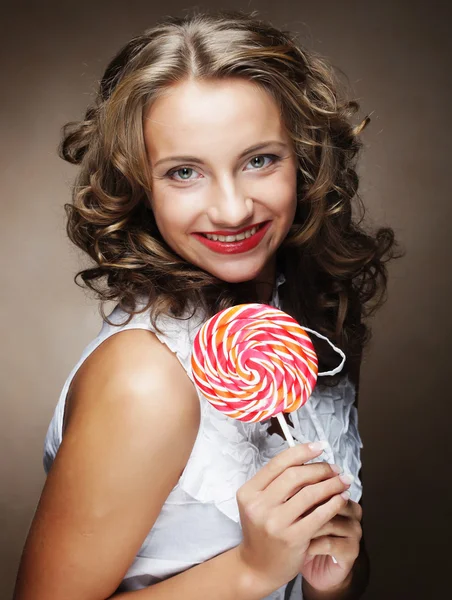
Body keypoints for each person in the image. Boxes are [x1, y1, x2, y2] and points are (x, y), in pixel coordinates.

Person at [13, 9, 401, 600]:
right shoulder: (145, 380)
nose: (232, 210)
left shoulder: (304, 332)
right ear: (140, 184)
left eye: (259, 160)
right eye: (185, 172)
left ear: (306, 160)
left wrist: (331, 576)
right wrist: (250, 569)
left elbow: (323, 577)